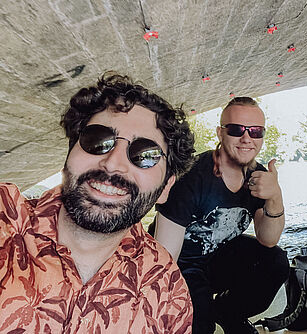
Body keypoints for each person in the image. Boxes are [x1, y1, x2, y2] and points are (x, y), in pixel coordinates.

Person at [0, 73, 195, 333]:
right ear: (70, 153)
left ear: (165, 188)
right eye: (97, 140)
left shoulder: (167, 289)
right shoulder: (7, 220)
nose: (114, 163)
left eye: (145, 155)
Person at [152, 97, 289, 334]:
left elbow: (268, 239)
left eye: (256, 131)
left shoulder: (258, 175)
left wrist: (275, 196)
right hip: (182, 263)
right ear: (220, 133)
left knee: (274, 262)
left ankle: (228, 313)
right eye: (237, 130)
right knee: (200, 324)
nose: (247, 138)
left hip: (219, 259)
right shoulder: (192, 176)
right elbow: (164, 258)